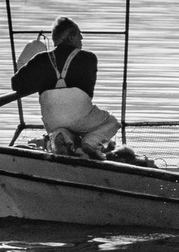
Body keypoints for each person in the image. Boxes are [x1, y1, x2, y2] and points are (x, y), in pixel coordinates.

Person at [11, 16, 119, 158]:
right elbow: (89, 91)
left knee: (62, 127)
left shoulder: (40, 59)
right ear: (71, 36)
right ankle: (90, 143)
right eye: (79, 36)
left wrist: (41, 76)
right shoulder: (89, 58)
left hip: (51, 119)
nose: (81, 40)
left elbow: (16, 84)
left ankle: (60, 136)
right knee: (112, 122)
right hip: (80, 114)